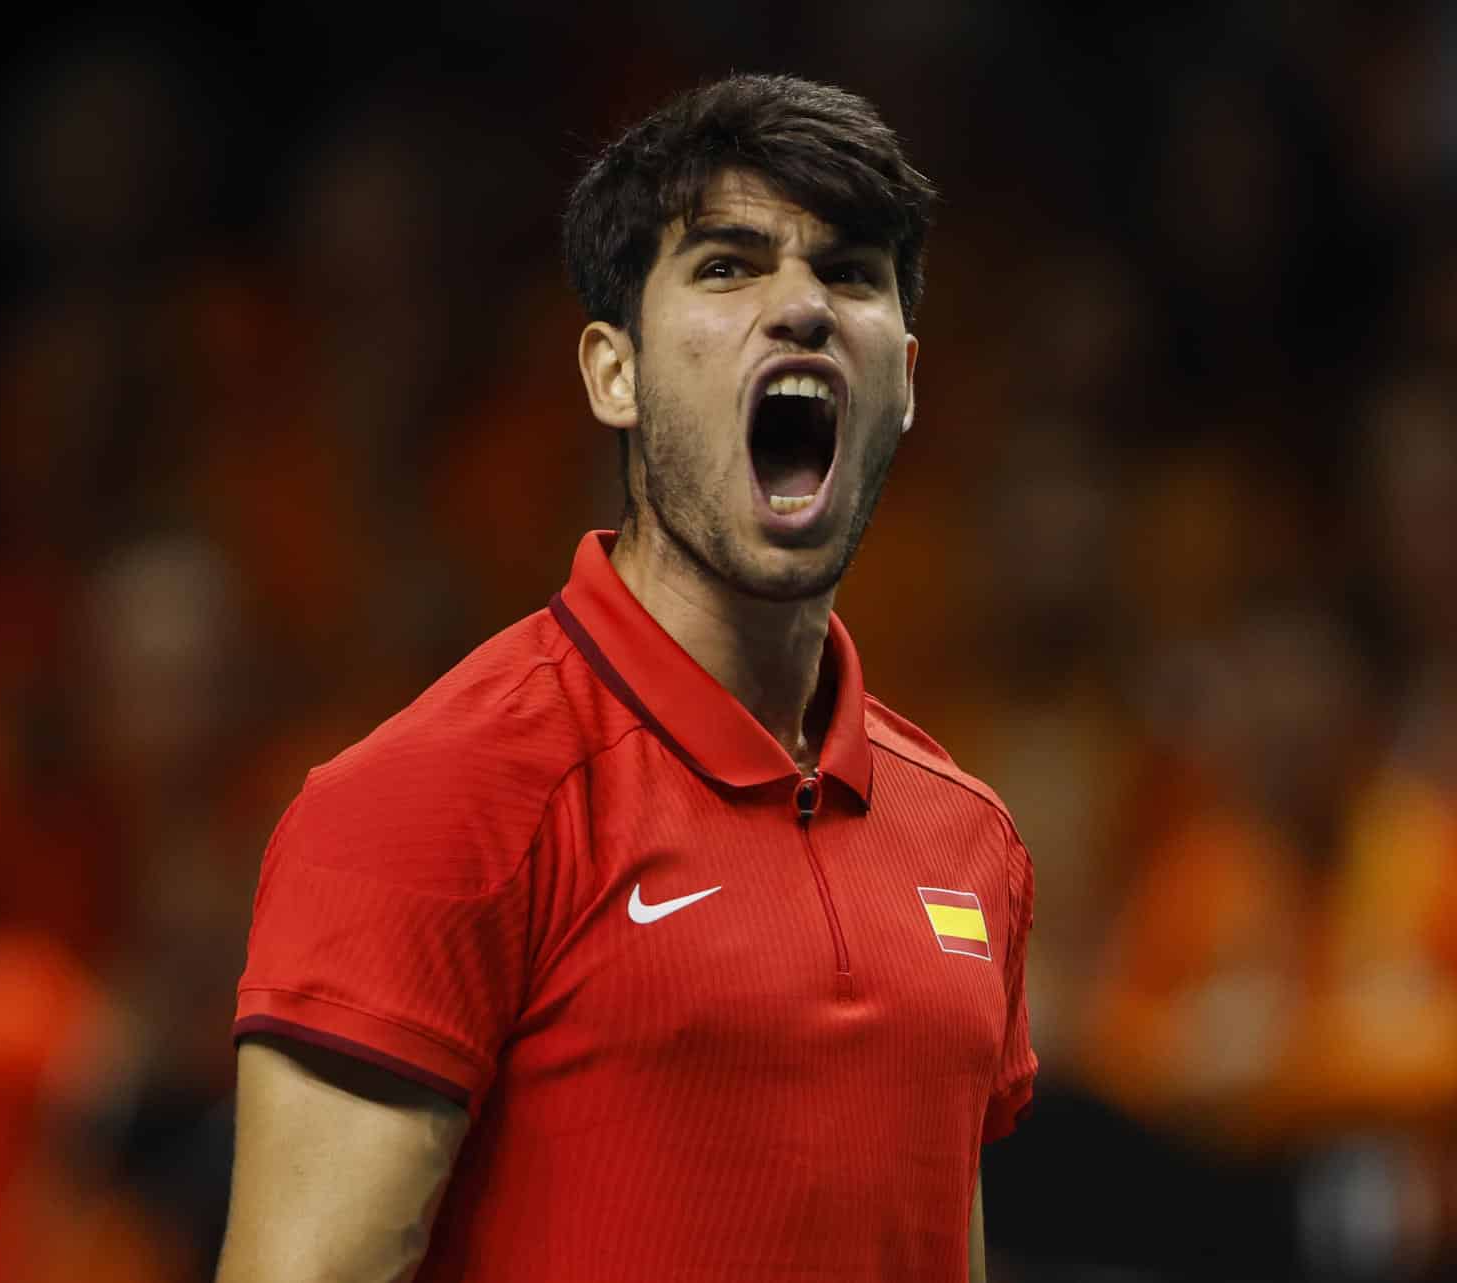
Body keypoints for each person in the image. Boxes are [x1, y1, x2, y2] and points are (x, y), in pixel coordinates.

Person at [214, 75, 1036, 1283]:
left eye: (850, 272)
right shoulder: (432, 799)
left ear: (903, 379)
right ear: (614, 373)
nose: (801, 305)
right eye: (727, 266)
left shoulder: (969, 839)